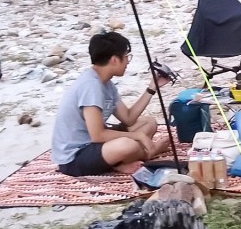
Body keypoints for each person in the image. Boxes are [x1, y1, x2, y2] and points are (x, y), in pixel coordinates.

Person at [52, 31, 171, 176]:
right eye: (126, 57)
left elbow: (128, 118)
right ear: (114, 60)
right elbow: (98, 136)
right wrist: (139, 136)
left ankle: (118, 163)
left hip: (95, 145)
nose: (128, 62)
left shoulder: (107, 84)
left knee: (149, 122)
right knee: (128, 144)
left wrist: (152, 88)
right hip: (75, 157)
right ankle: (148, 153)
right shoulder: (90, 86)